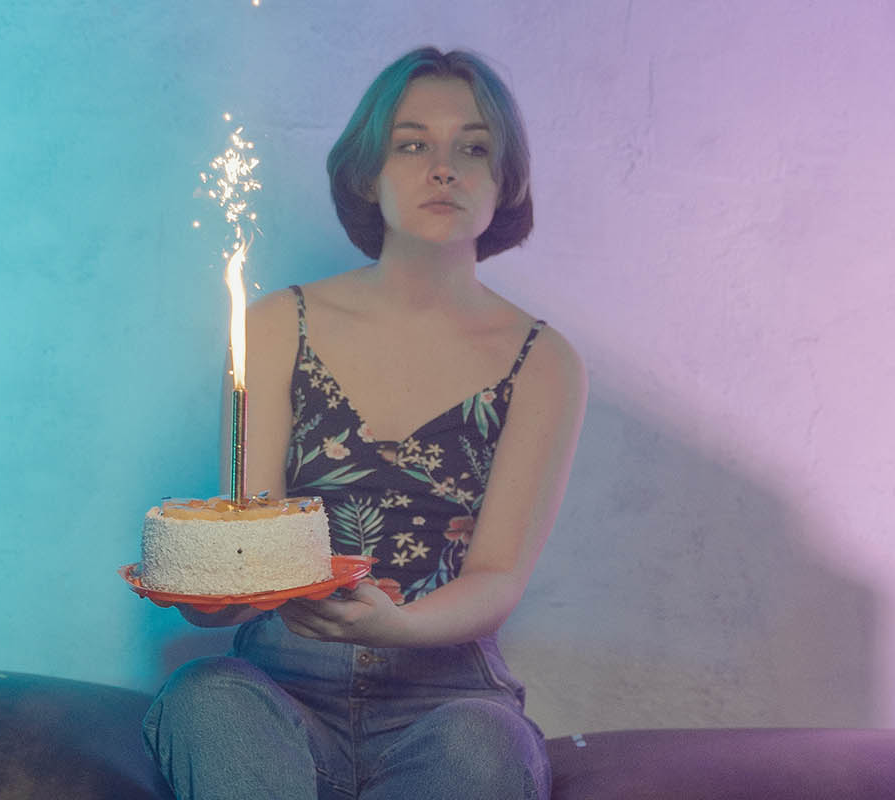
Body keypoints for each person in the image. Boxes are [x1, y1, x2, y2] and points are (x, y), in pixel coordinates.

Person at [143, 46, 587, 800]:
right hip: (280, 683)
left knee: (488, 747)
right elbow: (250, 543)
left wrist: (399, 627)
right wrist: (209, 587)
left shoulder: (544, 360)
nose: (442, 167)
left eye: (473, 147)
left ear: (505, 180)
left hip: (446, 698)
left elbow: (497, 575)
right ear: (364, 172)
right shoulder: (279, 325)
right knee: (208, 696)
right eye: (411, 144)